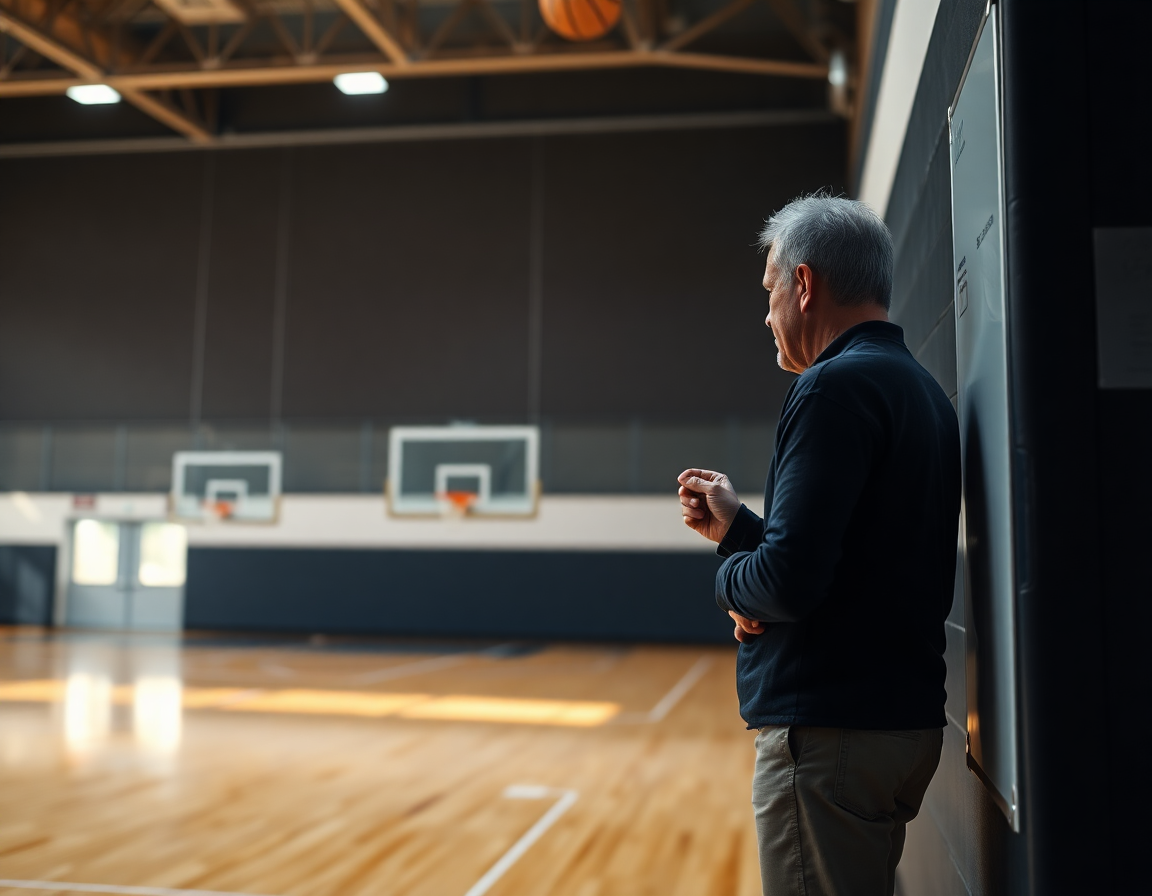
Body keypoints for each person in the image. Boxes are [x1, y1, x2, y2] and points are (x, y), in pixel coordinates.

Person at [677, 194, 961, 896]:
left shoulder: (833, 388)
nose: (767, 312)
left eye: (771, 290)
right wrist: (739, 531)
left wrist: (730, 582)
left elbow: (786, 585)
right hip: (894, 726)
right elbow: (851, 563)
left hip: (832, 734)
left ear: (804, 285)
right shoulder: (918, 389)